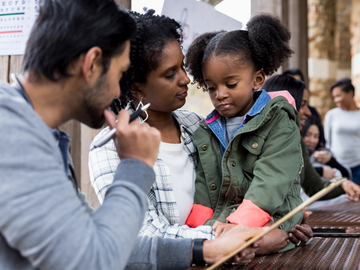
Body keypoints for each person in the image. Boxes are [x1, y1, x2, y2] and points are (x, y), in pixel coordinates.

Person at [0, 1, 266, 269]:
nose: (119, 92)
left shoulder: (37, 133)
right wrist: (134, 167)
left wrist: (205, 250)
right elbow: (93, 260)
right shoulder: (12, 136)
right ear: (91, 64)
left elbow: (95, 238)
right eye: (118, 74)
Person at [88, 10, 308, 257]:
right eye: (170, 73)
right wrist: (248, 239)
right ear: (137, 88)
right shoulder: (109, 148)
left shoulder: (197, 125)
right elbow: (144, 236)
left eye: (182, 66)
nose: (186, 79)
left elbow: (258, 181)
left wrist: (286, 218)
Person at [184, 14, 306, 252]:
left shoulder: (278, 119)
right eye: (211, 87)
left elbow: (271, 181)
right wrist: (199, 229)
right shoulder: (206, 130)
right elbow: (204, 186)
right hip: (221, 226)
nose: (220, 94)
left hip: (271, 220)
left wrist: (238, 226)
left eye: (230, 84)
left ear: (258, 79)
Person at [263, 75, 360, 206]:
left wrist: (342, 184)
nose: (309, 112)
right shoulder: (256, 143)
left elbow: (314, 185)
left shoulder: (297, 143)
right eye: (303, 104)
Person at [325, 78, 360, 185]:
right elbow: (328, 141)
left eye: (338, 96)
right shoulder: (331, 115)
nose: (336, 100)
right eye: (334, 97)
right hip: (337, 166)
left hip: (358, 166)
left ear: (350, 93)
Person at [301, 115, 351, 180]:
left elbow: (347, 174)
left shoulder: (322, 153)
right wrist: (320, 171)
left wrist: (331, 160)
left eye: (316, 136)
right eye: (308, 135)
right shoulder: (292, 153)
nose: (312, 140)